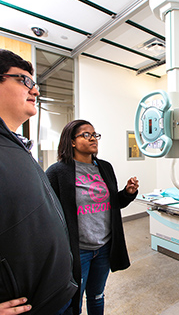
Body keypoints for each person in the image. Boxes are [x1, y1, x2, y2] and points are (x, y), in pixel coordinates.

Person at [0, 49, 77, 315]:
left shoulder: (17, 147)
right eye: (24, 81)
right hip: (29, 305)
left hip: (56, 292)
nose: (35, 91)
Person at [46, 119, 139, 315]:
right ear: (72, 141)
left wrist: (127, 193)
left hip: (104, 247)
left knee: (97, 295)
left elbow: (113, 204)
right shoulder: (58, 172)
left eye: (95, 134)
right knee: (73, 301)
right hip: (77, 250)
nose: (93, 138)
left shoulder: (105, 167)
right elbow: (48, 211)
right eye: (86, 135)